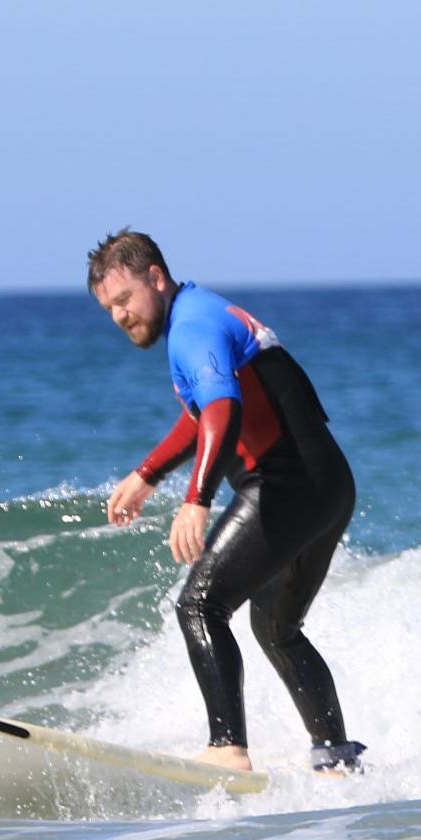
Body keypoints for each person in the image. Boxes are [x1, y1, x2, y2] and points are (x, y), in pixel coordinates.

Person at [89, 229, 365, 776]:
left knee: (199, 606)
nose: (120, 316)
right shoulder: (204, 312)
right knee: (278, 630)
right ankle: (335, 760)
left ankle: (227, 749)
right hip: (328, 485)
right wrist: (148, 474)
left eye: (124, 299)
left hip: (284, 484)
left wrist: (197, 499)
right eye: (109, 309)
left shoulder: (191, 327)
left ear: (155, 278)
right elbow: (202, 412)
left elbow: (221, 409)